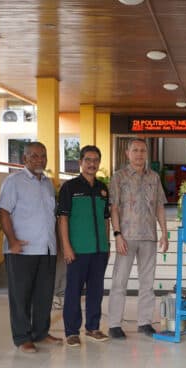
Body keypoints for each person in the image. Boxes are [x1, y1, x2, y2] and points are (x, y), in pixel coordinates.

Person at [0, 142, 60, 353]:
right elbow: (3, 211)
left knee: (44, 294)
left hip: (46, 249)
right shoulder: (13, 181)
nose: (40, 160)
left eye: (43, 156)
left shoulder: (48, 183)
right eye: (34, 156)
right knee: (21, 296)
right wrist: (12, 241)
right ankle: (22, 337)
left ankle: (41, 332)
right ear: (24, 159)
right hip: (21, 250)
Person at [108, 138, 168, 338]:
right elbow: (114, 208)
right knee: (119, 281)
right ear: (127, 153)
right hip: (126, 237)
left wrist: (164, 233)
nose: (139, 154)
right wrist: (117, 235)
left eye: (143, 150)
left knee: (147, 283)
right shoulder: (119, 177)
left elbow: (159, 206)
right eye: (135, 150)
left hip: (149, 237)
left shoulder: (154, 178)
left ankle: (145, 322)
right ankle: (114, 324)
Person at [57, 145, 112, 347]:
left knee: (96, 291)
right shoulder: (69, 188)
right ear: (80, 162)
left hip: (99, 250)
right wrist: (67, 247)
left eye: (96, 160)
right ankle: (71, 332)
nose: (92, 164)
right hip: (78, 250)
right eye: (88, 159)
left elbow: (106, 220)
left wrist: (106, 245)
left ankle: (93, 328)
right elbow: (63, 219)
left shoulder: (102, 189)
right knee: (73, 291)